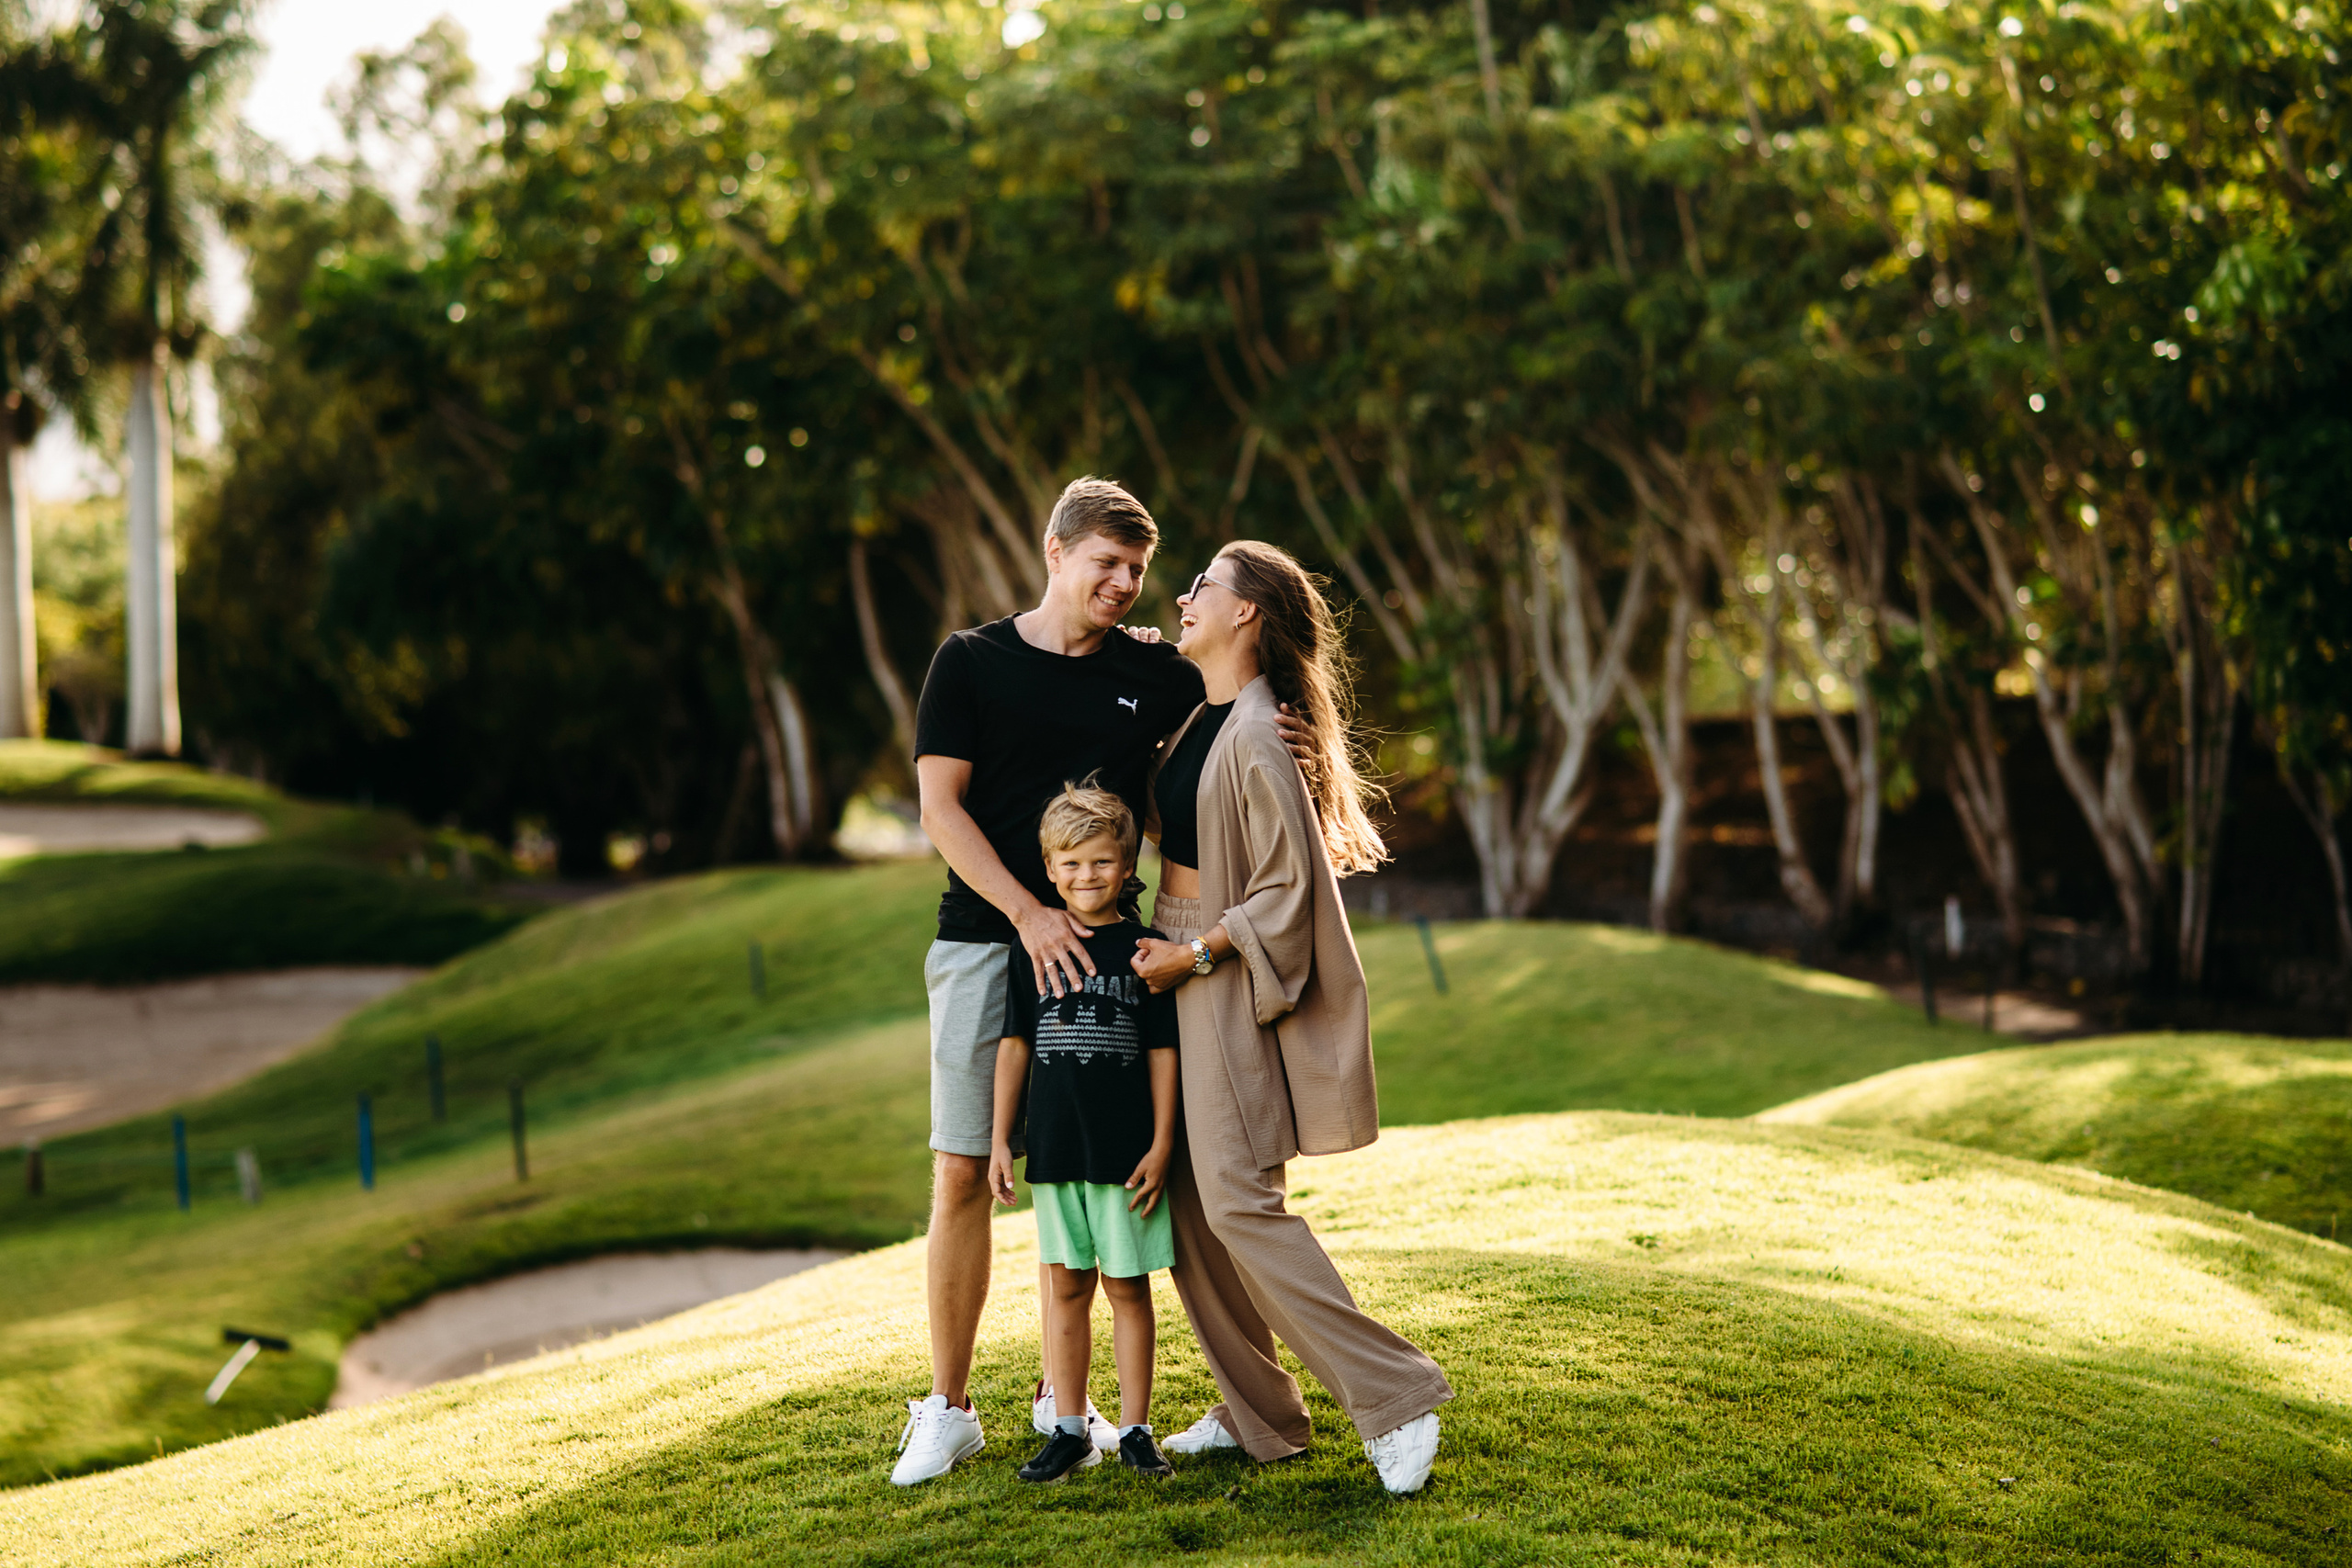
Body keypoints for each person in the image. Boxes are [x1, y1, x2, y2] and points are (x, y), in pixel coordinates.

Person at [891, 477, 1206, 1486]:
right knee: (961, 1168)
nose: (1119, 583)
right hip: (989, 942)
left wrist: (1278, 735)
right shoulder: (969, 660)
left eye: (1136, 571)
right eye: (1104, 562)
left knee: (1094, 1164)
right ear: (1054, 551)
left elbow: (1214, 737)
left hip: (1112, 961)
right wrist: (1029, 916)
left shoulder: (1154, 678)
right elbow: (940, 809)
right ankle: (949, 1408)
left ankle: (1063, 1405)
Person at [1130, 540, 1453, 1495]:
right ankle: (1261, 1411)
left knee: (1236, 1198)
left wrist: (1192, 954)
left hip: (1213, 966)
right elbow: (1175, 823)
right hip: (1175, 948)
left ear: (1247, 616)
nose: (1182, 596)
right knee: (1187, 1206)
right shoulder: (1206, 716)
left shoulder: (1260, 733)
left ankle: (1395, 1396)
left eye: (1202, 588)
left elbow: (1283, 894)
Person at [987, 782, 1179, 1483]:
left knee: (1128, 1288)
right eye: (1070, 865)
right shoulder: (1031, 947)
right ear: (1048, 868)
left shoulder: (1144, 949)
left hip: (1127, 1156)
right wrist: (1000, 1137)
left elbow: (1164, 1051)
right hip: (1058, 1151)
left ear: (1127, 867)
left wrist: (1162, 1144)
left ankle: (1135, 1429)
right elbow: (1014, 1045)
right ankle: (1069, 1428)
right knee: (1067, 1288)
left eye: (1101, 862)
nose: (1086, 876)